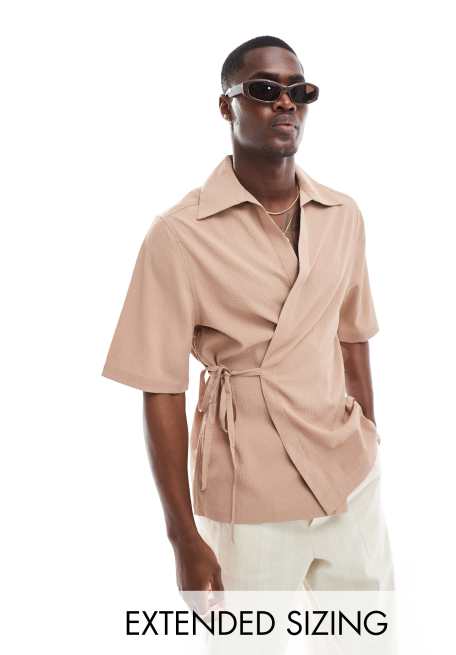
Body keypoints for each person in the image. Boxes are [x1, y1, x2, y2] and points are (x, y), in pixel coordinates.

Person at [101, 35, 395, 611]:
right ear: (226, 105)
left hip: (349, 479)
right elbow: (161, 388)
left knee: (372, 639)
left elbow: (353, 334)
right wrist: (182, 537)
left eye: (299, 92)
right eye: (264, 89)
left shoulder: (343, 214)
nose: (285, 103)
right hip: (248, 494)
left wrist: (367, 435)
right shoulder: (179, 234)